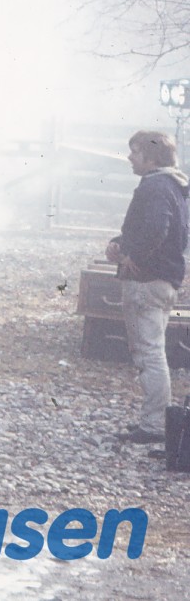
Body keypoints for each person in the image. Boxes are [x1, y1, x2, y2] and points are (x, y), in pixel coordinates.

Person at [105, 130, 189, 444]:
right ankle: (156, 421)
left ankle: (155, 425)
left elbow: (156, 229)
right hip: (163, 281)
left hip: (147, 282)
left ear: (151, 157)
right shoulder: (173, 185)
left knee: (149, 354)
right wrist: (120, 244)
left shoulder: (154, 186)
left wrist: (133, 256)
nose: (130, 157)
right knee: (152, 352)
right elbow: (156, 229)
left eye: (136, 151)